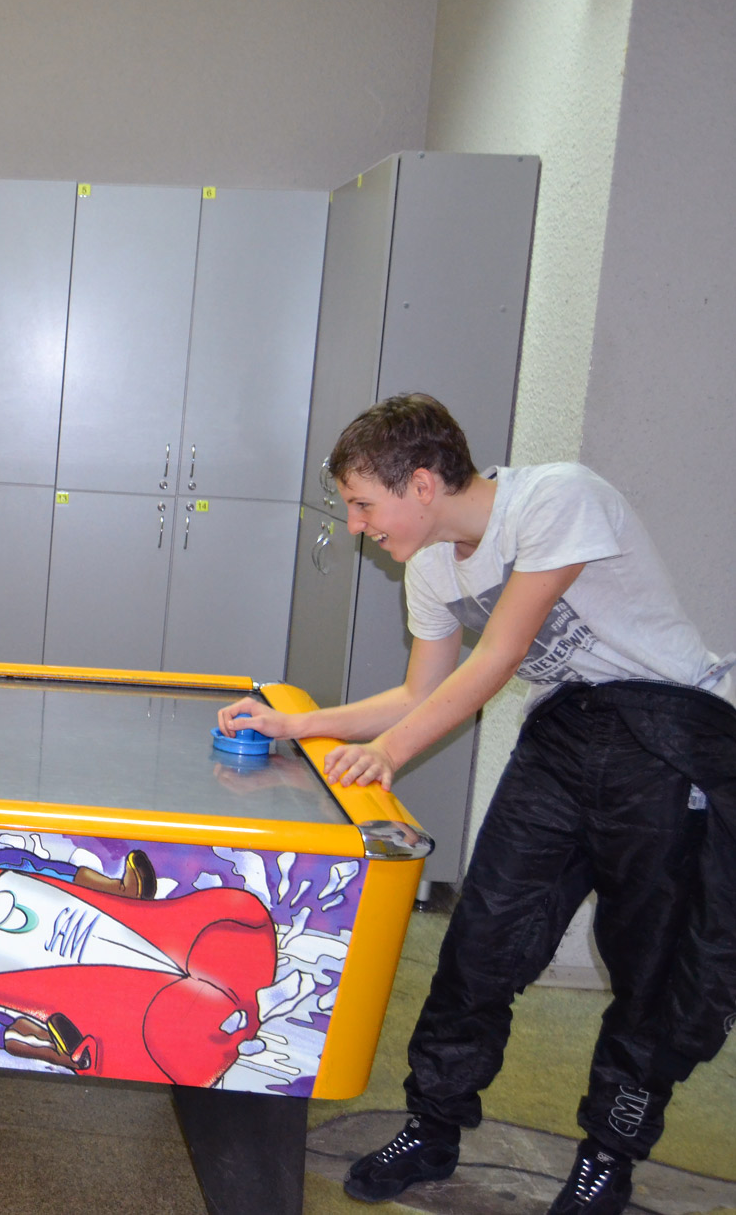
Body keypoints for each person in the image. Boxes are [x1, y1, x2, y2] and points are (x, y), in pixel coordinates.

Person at [218, 394, 735, 1215]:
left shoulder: (557, 497)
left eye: (362, 504)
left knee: (651, 968)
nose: (355, 526)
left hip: (669, 737)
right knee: (479, 943)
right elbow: (418, 692)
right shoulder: (431, 563)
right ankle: (432, 1125)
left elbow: (499, 654)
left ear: (422, 483)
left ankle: (608, 1156)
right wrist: (296, 722)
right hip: (564, 738)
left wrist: (389, 753)